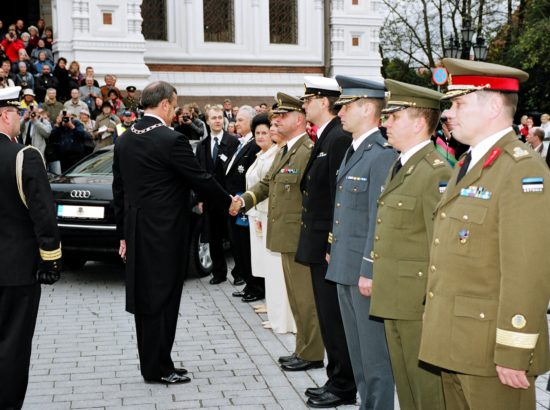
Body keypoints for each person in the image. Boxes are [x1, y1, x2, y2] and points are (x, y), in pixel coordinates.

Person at [419, 58, 550, 410]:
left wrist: (514, 349)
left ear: (494, 105)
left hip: (491, 351)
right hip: (455, 341)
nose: (449, 112)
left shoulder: (521, 169)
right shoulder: (468, 163)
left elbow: (528, 270)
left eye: (459, 102)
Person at [112, 80, 235, 385]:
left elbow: (119, 191)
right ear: (165, 104)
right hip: (165, 233)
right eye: (174, 105)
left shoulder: (125, 139)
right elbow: (199, 178)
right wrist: (229, 202)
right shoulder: (170, 139)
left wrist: (123, 235)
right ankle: (159, 368)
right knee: (164, 299)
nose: (174, 112)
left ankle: (155, 362)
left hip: (138, 229)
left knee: (146, 298)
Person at [369, 79, 450, 410]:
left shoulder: (436, 171)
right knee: (406, 387)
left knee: (426, 392)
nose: (385, 122)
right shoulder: (400, 164)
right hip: (394, 298)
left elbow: (440, 246)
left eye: (394, 116)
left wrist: (434, 306)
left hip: (418, 305)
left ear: (418, 122)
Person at [234, 93, 325, 372]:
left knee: (306, 300)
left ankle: (311, 353)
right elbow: (266, 184)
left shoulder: (307, 151)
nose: (276, 121)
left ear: (299, 119)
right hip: (284, 237)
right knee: (296, 298)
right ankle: (302, 349)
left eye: (282, 116)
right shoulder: (285, 150)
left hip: (298, 237)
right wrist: (244, 201)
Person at [325, 75, 397, 410]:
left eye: (346, 105)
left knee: (374, 358)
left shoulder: (381, 154)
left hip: (363, 273)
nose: (340, 112)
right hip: (345, 266)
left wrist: (369, 268)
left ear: (367, 107)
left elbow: (377, 219)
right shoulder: (356, 149)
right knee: (358, 355)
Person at [295, 76, 356, 407]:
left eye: (308, 100)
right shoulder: (326, 137)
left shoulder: (338, 139)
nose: (304, 106)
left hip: (328, 246)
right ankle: (337, 377)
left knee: (334, 317)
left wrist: (334, 244)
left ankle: (343, 384)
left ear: (323, 102)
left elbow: (338, 198)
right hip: (320, 244)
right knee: (329, 315)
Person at [0, 86, 61, 409]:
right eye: (16, 113)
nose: (19, 119)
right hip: (16, 270)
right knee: (13, 344)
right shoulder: (24, 155)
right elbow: (44, 214)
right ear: (4, 115)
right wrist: (50, 260)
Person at [195, 105, 240, 285]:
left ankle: (239, 274)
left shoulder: (233, 142)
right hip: (210, 201)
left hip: (230, 199)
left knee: (234, 238)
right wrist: (199, 199)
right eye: (213, 118)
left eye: (220, 117)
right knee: (213, 238)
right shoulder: (202, 146)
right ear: (207, 120)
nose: (217, 121)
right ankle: (219, 273)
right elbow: (198, 174)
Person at [244, 114, 280, 325]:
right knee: (262, 262)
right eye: (257, 133)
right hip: (256, 213)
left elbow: (267, 188)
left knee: (270, 262)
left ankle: (274, 305)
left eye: (264, 132)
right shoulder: (260, 155)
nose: (260, 136)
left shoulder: (273, 155)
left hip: (265, 214)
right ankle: (271, 302)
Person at [224, 105, 263, 301]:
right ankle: (249, 283)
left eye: (240, 120)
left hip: (244, 204)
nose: (236, 123)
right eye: (236, 120)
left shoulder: (255, 145)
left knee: (246, 248)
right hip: (234, 203)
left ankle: (255, 286)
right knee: (238, 248)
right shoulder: (240, 143)